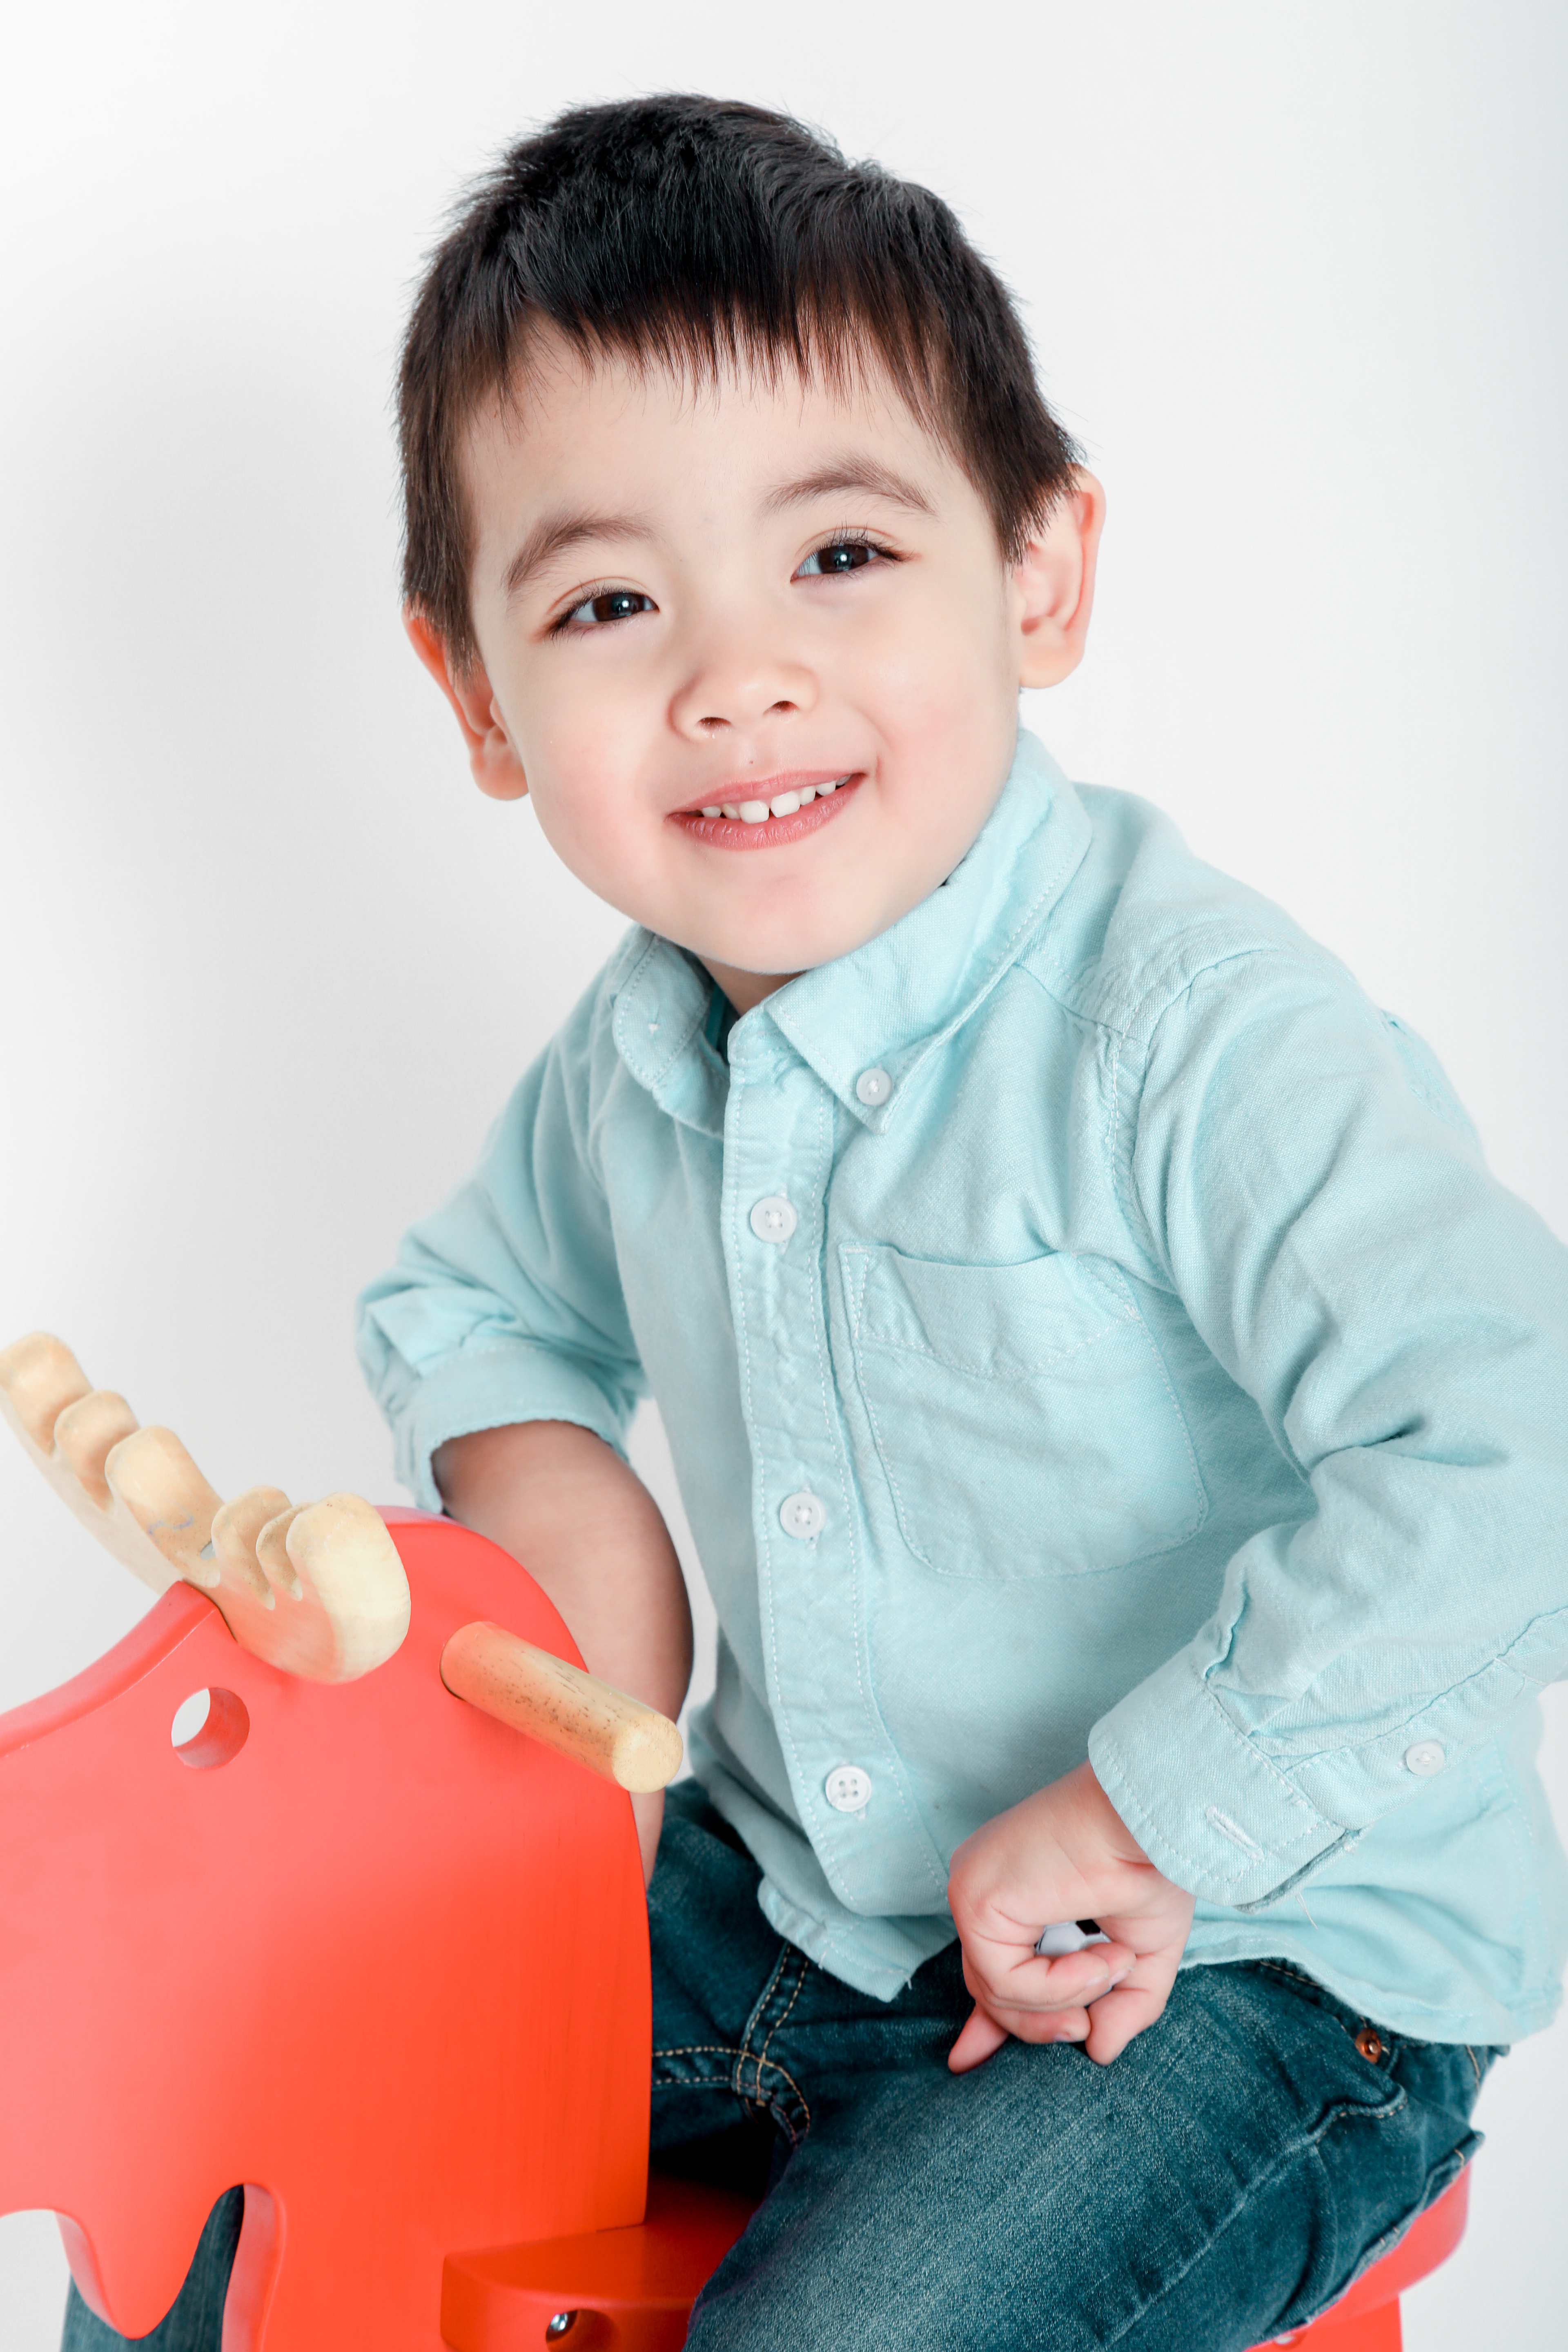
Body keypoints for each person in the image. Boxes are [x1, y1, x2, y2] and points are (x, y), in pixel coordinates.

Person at [67, 92, 1568, 2352]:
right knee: (224, 2161)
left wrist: (1152, 1807)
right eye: (607, 603)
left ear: (1038, 572)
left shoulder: (1190, 1030)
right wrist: (562, 1520)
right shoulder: (640, 1046)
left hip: (1244, 1964)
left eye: (842, 555)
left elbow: (1513, 1448)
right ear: (476, 693)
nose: (734, 676)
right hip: (780, 1911)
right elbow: (475, 1298)